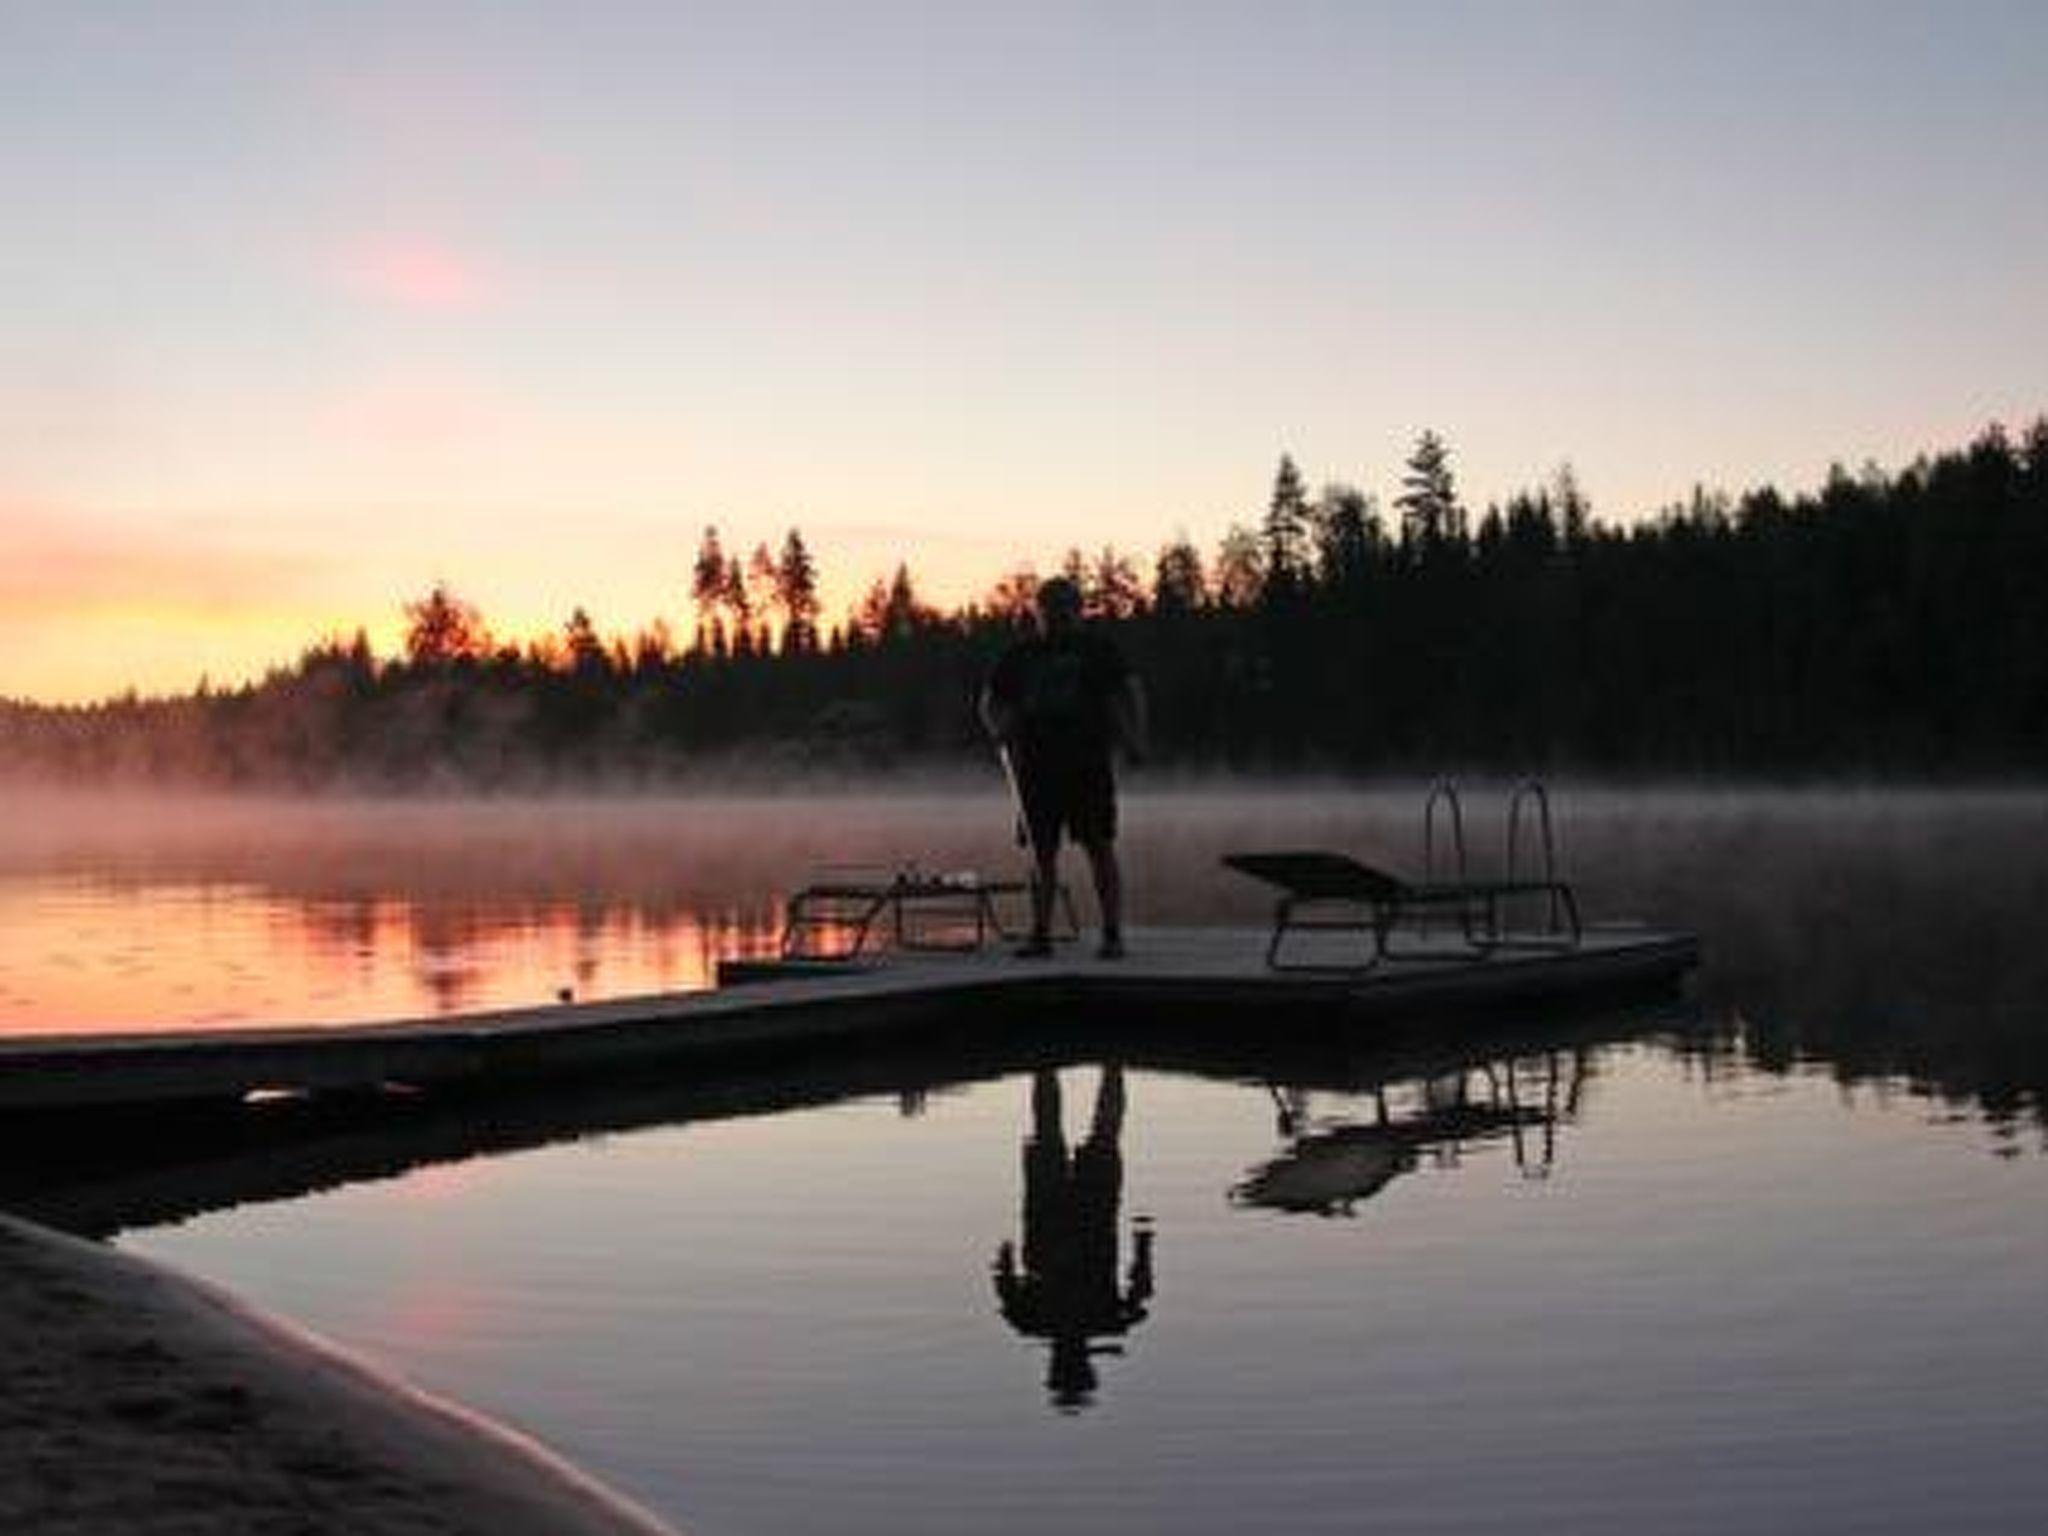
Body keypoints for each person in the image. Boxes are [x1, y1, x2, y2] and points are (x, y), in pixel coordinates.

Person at [979, 576, 1147, 959]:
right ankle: (1041, 934)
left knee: (1099, 846)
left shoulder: (1098, 650)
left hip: (1088, 762)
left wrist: (1135, 737)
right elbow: (989, 699)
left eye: (1066, 610)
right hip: (1035, 766)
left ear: (1078, 610)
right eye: (1051, 610)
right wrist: (998, 730)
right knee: (1042, 852)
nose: (1058, 618)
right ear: (1039, 612)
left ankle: (1112, 932)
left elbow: (1128, 691)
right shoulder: (1021, 655)